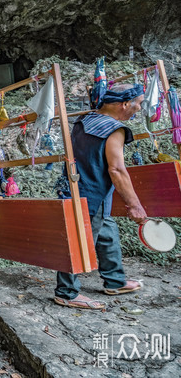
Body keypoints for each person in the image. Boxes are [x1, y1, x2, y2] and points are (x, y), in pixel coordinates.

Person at [54, 83, 147, 310]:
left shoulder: (85, 120)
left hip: (81, 187)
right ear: (125, 104)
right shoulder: (114, 129)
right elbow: (116, 169)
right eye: (139, 104)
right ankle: (66, 292)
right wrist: (134, 204)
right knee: (79, 241)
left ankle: (115, 281)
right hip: (91, 192)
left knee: (107, 233)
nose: (139, 108)